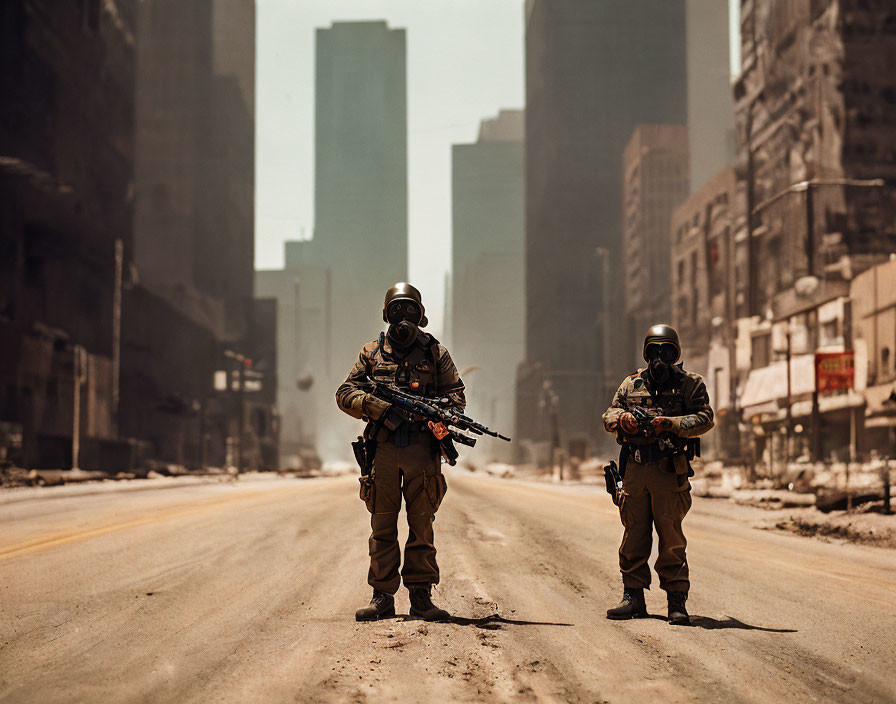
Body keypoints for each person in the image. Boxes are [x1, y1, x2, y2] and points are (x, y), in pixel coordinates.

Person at [336, 283, 465, 622]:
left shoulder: (435, 352)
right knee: (382, 525)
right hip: (383, 449)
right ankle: (382, 596)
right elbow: (345, 391)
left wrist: (438, 415)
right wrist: (376, 407)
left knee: (422, 525)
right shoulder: (371, 352)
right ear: (386, 314)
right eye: (397, 310)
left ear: (420, 315)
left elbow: (456, 395)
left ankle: (421, 597)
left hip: (423, 450)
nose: (404, 317)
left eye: (410, 310)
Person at [602, 324, 714, 625]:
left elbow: (705, 418)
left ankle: (676, 602)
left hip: (669, 469)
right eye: (654, 351)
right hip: (636, 469)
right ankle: (632, 597)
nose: (659, 358)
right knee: (634, 535)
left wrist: (670, 423)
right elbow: (609, 415)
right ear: (646, 353)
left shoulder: (690, 384)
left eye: (666, 351)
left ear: (675, 354)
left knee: (672, 538)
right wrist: (624, 419)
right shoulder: (631, 384)